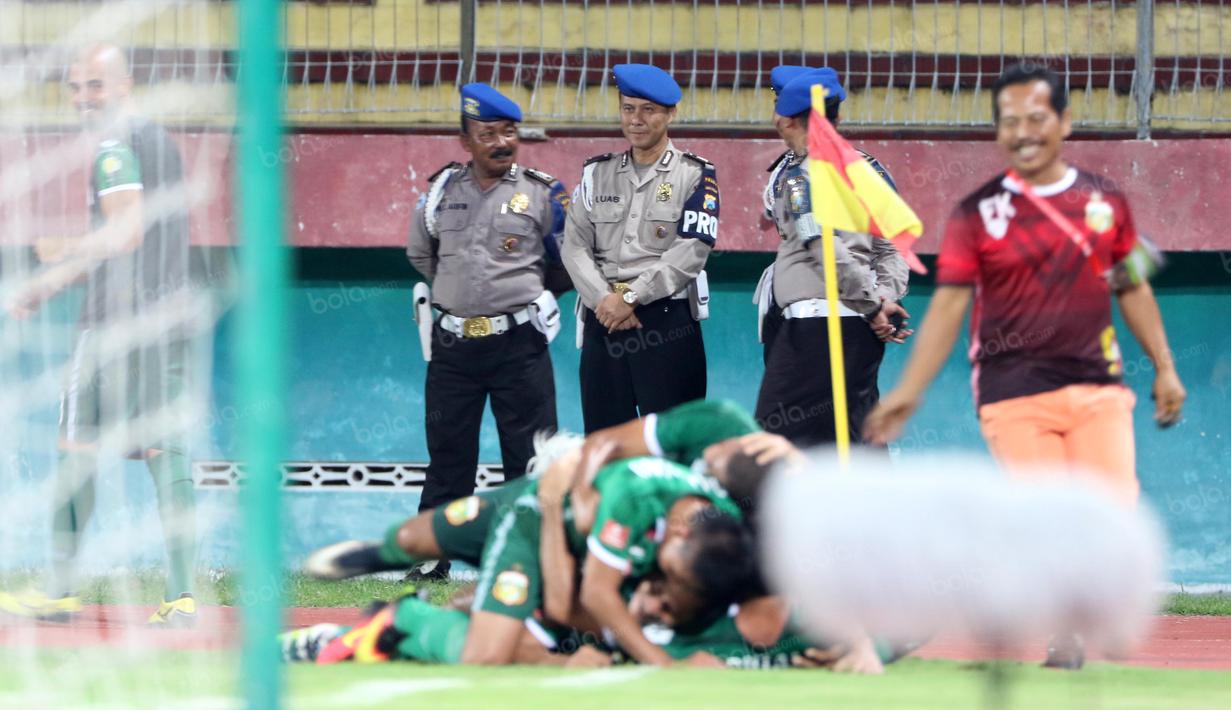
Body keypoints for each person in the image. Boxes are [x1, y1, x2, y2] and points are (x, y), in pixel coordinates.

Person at [862, 63, 1187, 666]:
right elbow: (950, 306)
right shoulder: (975, 214)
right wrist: (909, 390)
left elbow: (1133, 287)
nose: (1023, 131)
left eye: (1036, 118)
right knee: (1044, 512)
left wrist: (1164, 367)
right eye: (1009, 121)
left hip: (1099, 389)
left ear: (1063, 122)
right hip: (1013, 393)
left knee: (1111, 512)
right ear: (998, 132)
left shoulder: (1105, 202)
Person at [0, 44, 198, 626]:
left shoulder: (114, 148)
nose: (84, 98)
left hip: (113, 323)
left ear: (125, 85)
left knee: (76, 446)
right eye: (76, 87)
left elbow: (125, 232)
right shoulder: (158, 142)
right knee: (164, 450)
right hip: (167, 318)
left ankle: (60, 588)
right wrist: (49, 284)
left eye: (95, 86)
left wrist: (60, 248)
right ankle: (182, 595)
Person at [405, 83, 571, 579]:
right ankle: (433, 556)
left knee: (528, 456)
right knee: (449, 453)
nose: (501, 142)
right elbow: (421, 255)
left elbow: (567, 262)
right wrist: (463, 298)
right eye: (488, 134)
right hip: (453, 343)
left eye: (509, 132)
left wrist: (537, 298)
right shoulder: (439, 193)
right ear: (466, 141)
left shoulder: (543, 193)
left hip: (518, 343)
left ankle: (531, 559)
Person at [754, 68, 912, 446]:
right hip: (845, 316)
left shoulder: (800, 177)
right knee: (854, 431)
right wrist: (884, 299)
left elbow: (821, 245)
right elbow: (893, 244)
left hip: (820, 322)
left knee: (783, 435)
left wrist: (876, 305)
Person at [562, 63, 720, 433]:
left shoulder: (695, 174)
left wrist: (631, 297)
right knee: (605, 445)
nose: (636, 120)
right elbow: (574, 246)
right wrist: (604, 300)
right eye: (628, 108)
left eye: (648, 110)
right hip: (605, 320)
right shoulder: (595, 173)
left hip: (666, 321)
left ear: (671, 114)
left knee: (672, 445)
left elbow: (693, 249)